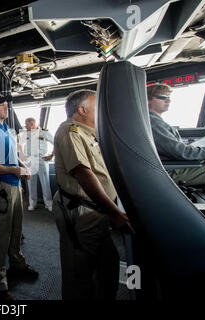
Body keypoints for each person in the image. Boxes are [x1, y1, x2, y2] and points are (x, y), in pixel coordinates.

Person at [52, 89, 134, 300]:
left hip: (97, 210)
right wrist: (114, 212)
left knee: (107, 263)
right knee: (79, 271)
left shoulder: (89, 134)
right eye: (96, 107)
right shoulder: (70, 132)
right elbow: (83, 173)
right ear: (82, 110)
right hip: (83, 211)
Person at [0, 93, 39, 300]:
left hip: (14, 185)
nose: (6, 107)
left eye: (6, 104)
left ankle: (17, 264)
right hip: (0, 188)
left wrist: (22, 166)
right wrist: (14, 171)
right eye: (1, 105)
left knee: (16, 229)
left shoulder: (7, 129)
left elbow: (13, 156)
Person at [147, 83, 205, 186]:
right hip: (168, 172)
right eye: (162, 97)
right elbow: (182, 152)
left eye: (168, 97)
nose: (168, 100)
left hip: (168, 167)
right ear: (148, 100)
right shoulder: (153, 122)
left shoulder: (152, 120)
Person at [18, 117, 54, 211]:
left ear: (32, 124)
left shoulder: (44, 132)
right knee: (31, 183)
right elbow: (19, 144)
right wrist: (22, 154)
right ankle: (32, 204)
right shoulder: (26, 133)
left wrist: (51, 155)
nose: (25, 127)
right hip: (30, 161)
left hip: (42, 160)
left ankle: (49, 204)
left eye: (27, 125)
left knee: (45, 183)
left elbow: (55, 142)